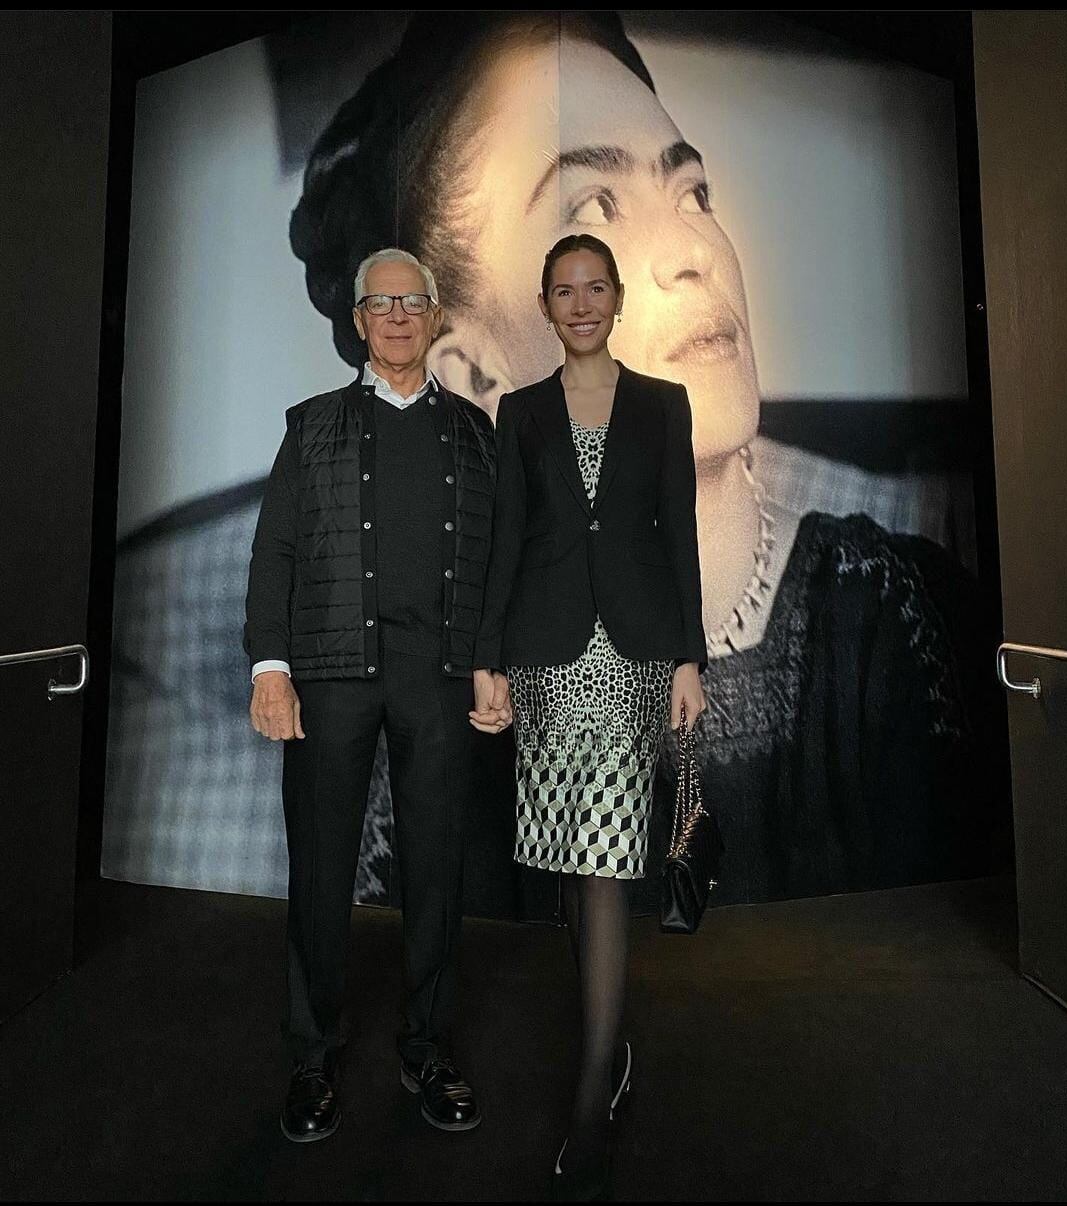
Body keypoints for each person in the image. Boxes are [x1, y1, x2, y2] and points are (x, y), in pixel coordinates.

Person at [291, 10, 1007, 913]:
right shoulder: (431, 728)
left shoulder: (904, 618)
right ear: (469, 372)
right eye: (593, 209)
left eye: (693, 191)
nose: (693, 253)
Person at [469, 233, 707, 1200]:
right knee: (576, 858)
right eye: (562, 290)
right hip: (548, 655)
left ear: (617, 299)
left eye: (594, 287)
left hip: (635, 656)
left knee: (606, 867)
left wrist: (690, 654)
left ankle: (590, 1093)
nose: (580, 303)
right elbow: (505, 544)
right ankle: (613, 1046)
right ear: (543, 303)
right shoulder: (518, 412)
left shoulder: (664, 404)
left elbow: (680, 532)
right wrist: (489, 660)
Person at [244, 247, 498, 1141]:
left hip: (436, 680)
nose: (396, 315)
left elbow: (495, 562)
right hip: (327, 679)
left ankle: (427, 1046)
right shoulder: (311, 425)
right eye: (379, 302)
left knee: (437, 870)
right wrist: (268, 668)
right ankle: (312, 1058)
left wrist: (490, 660)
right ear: (357, 321)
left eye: (412, 301)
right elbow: (275, 549)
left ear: (434, 316)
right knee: (320, 869)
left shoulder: (475, 431)